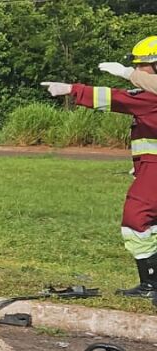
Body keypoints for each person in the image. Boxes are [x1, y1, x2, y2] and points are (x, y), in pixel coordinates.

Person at [42, 36, 157, 305]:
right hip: (148, 166)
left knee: (136, 218)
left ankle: (150, 284)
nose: (139, 71)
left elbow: (111, 98)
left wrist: (72, 89)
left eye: (145, 66)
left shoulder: (149, 99)